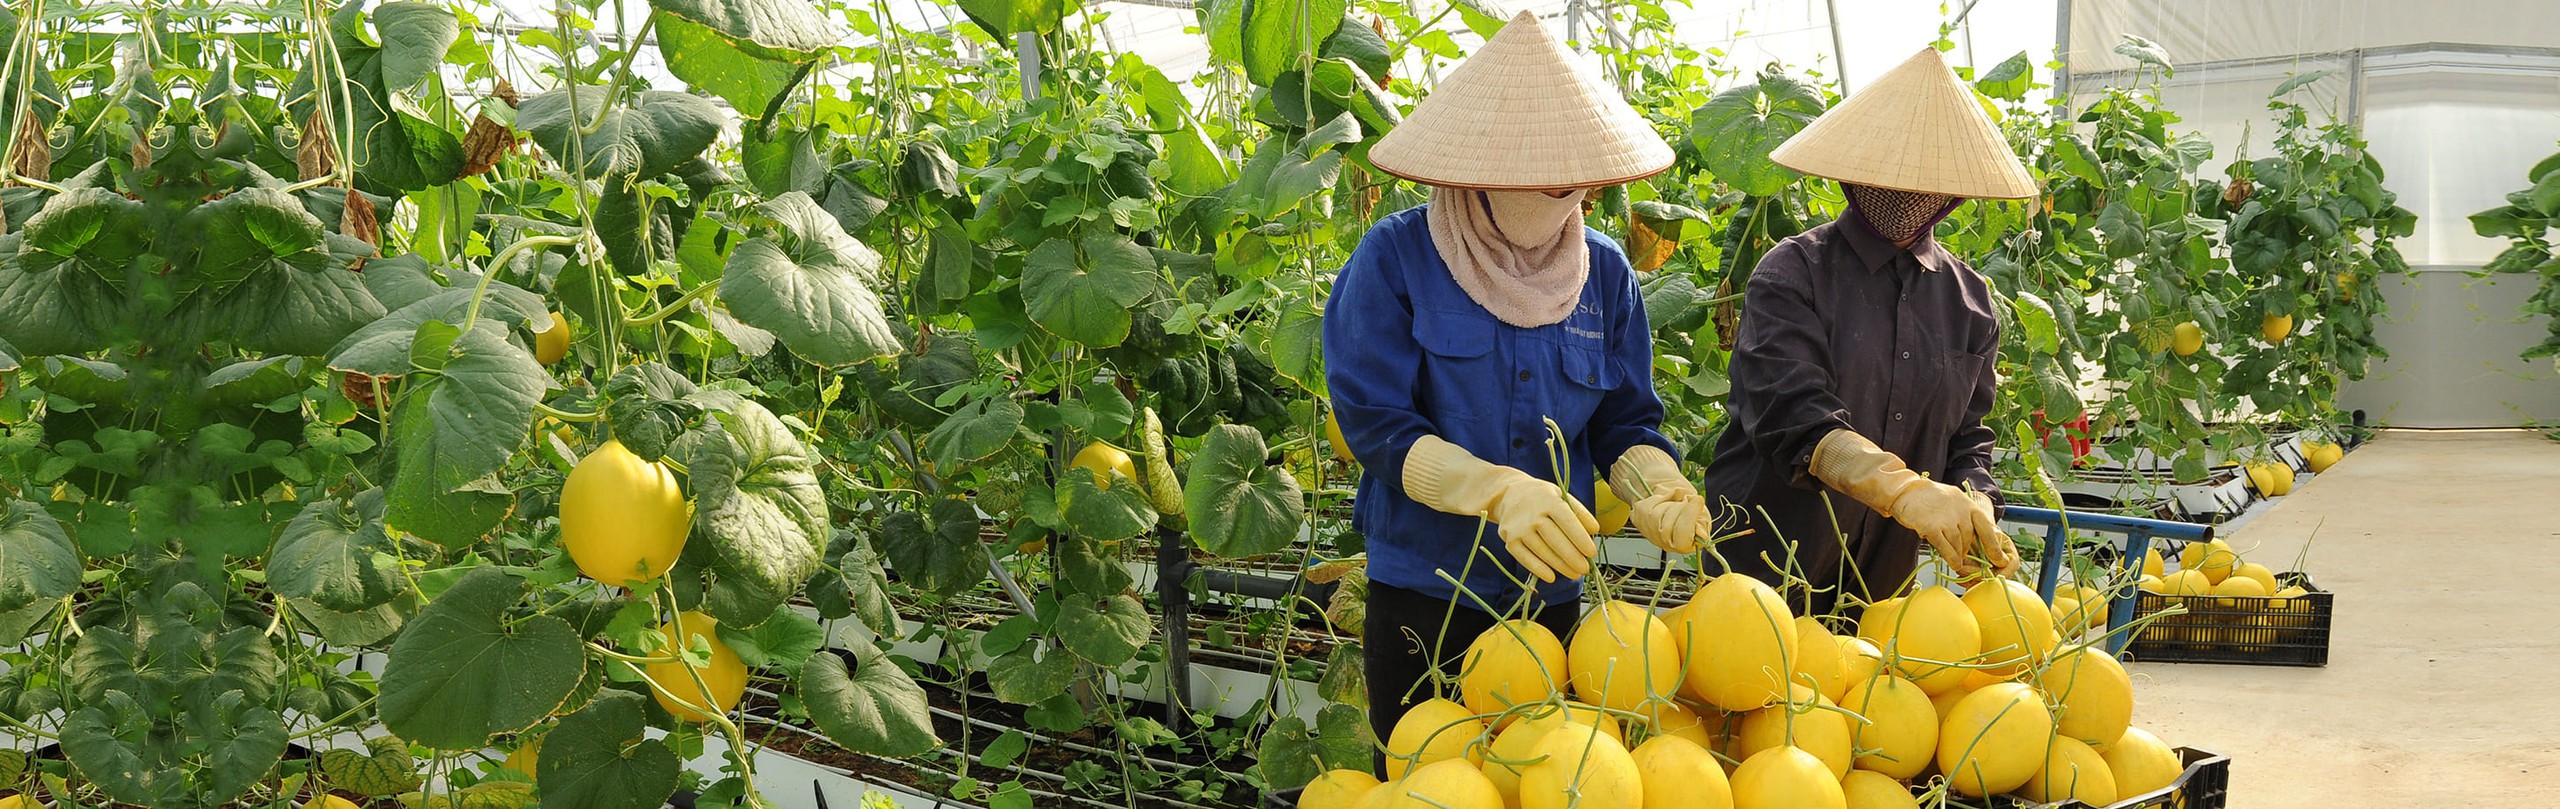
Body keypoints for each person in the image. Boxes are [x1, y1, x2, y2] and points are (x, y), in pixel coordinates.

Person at [1324, 10, 1710, 752]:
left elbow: (1624, 423)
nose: (1566, 200)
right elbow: (1376, 427)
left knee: (1537, 775)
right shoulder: (1395, 261)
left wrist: (1654, 482)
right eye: (1542, 183)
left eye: (1576, 187)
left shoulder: (1606, 276)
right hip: (1425, 597)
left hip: (1552, 602)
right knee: (1425, 781)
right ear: (1482, 173)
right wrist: (1497, 491)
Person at [1699, 47, 2028, 617]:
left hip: (1879, 589)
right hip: (1761, 575)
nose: (1905, 193)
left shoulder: (1970, 303)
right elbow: (1791, 418)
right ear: (1852, 172)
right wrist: (1903, 491)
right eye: (1888, 174)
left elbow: (1969, 435)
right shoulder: (1792, 271)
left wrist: (1974, 501)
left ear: (1954, 192)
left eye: (1928, 181)